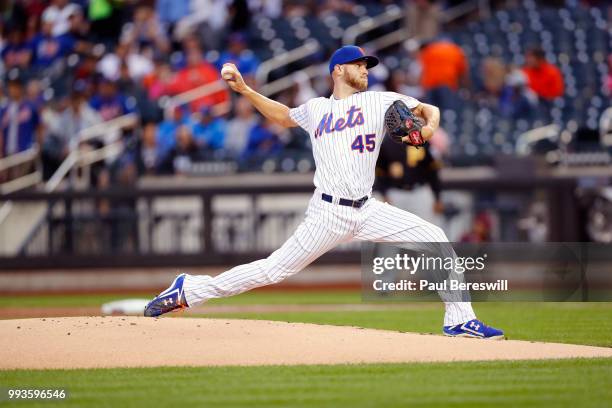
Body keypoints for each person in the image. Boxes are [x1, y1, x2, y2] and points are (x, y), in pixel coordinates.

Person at [144, 45, 504, 339]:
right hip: (327, 214)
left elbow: (430, 108)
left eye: (367, 65)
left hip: (367, 209)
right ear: (338, 70)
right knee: (273, 271)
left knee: (435, 236)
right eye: (358, 65)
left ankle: (459, 319)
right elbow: (284, 116)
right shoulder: (317, 109)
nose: (365, 69)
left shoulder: (379, 100)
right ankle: (189, 290)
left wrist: (426, 131)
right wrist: (245, 90)